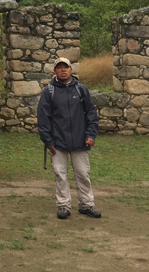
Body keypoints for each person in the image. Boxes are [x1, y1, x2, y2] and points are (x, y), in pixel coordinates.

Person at [37, 57, 101, 220]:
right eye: (59, 68)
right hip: (57, 142)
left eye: (66, 67)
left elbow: (91, 114)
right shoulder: (49, 91)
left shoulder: (81, 89)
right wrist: (48, 141)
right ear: (55, 71)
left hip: (80, 141)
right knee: (60, 175)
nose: (63, 70)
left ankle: (86, 205)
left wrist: (91, 134)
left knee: (83, 174)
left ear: (71, 70)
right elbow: (43, 119)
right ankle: (64, 206)